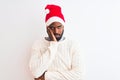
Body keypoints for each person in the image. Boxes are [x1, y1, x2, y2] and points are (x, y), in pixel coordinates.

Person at [29, 4, 84, 80]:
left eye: (59, 27)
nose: (56, 31)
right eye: (52, 28)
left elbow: (79, 74)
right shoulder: (38, 44)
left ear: (63, 26)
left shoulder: (72, 44)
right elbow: (35, 72)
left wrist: (46, 76)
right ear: (47, 28)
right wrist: (54, 45)